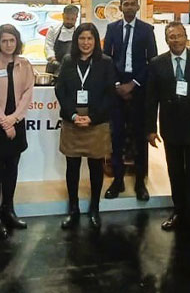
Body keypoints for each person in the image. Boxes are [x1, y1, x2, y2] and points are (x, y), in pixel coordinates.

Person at [146, 22, 190, 245]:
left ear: (186, 37)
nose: (175, 40)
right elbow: (151, 98)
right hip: (171, 127)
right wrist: (151, 129)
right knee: (175, 172)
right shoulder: (157, 63)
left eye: (179, 36)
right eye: (171, 37)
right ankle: (178, 211)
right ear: (166, 40)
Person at [54, 23, 116, 229]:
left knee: (96, 167)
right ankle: (73, 209)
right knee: (72, 167)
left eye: (90, 38)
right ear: (76, 40)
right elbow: (60, 89)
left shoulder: (105, 62)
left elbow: (109, 94)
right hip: (72, 120)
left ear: (96, 41)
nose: (86, 42)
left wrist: (93, 117)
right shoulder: (68, 60)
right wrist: (72, 115)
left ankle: (94, 208)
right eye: (82, 38)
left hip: (96, 121)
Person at [0, 24, 35, 239]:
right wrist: (4, 121)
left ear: (17, 42)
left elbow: (28, 93)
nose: (9, 44)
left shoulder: (24, 64)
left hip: (16, 123)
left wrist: (14, 119)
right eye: (4, 41)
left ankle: (8, 211)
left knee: (12, 168)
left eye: (12, 40)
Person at [103, 0, 158, 201]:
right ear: (120, 7)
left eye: (132, 4)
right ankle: (117, 181)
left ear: (138, 7)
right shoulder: (112, 28)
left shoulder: (147, 30)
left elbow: (152, 60)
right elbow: (107, 59)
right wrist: (117, 85)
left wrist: (133, 84)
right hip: (116, 90)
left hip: (139, 89)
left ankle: (140, 183)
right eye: (125, 3)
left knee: (139, 138)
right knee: (116, 137)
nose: (129, 7)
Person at [45, 5, 79, 74]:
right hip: (54, 66)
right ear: (63, 15)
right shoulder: (53, 29)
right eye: (67, 18)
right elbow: (48, 45)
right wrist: (52, 59)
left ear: (76, 17)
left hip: (72, 68)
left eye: (72, 19)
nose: (69, 21)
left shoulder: (79, 32)